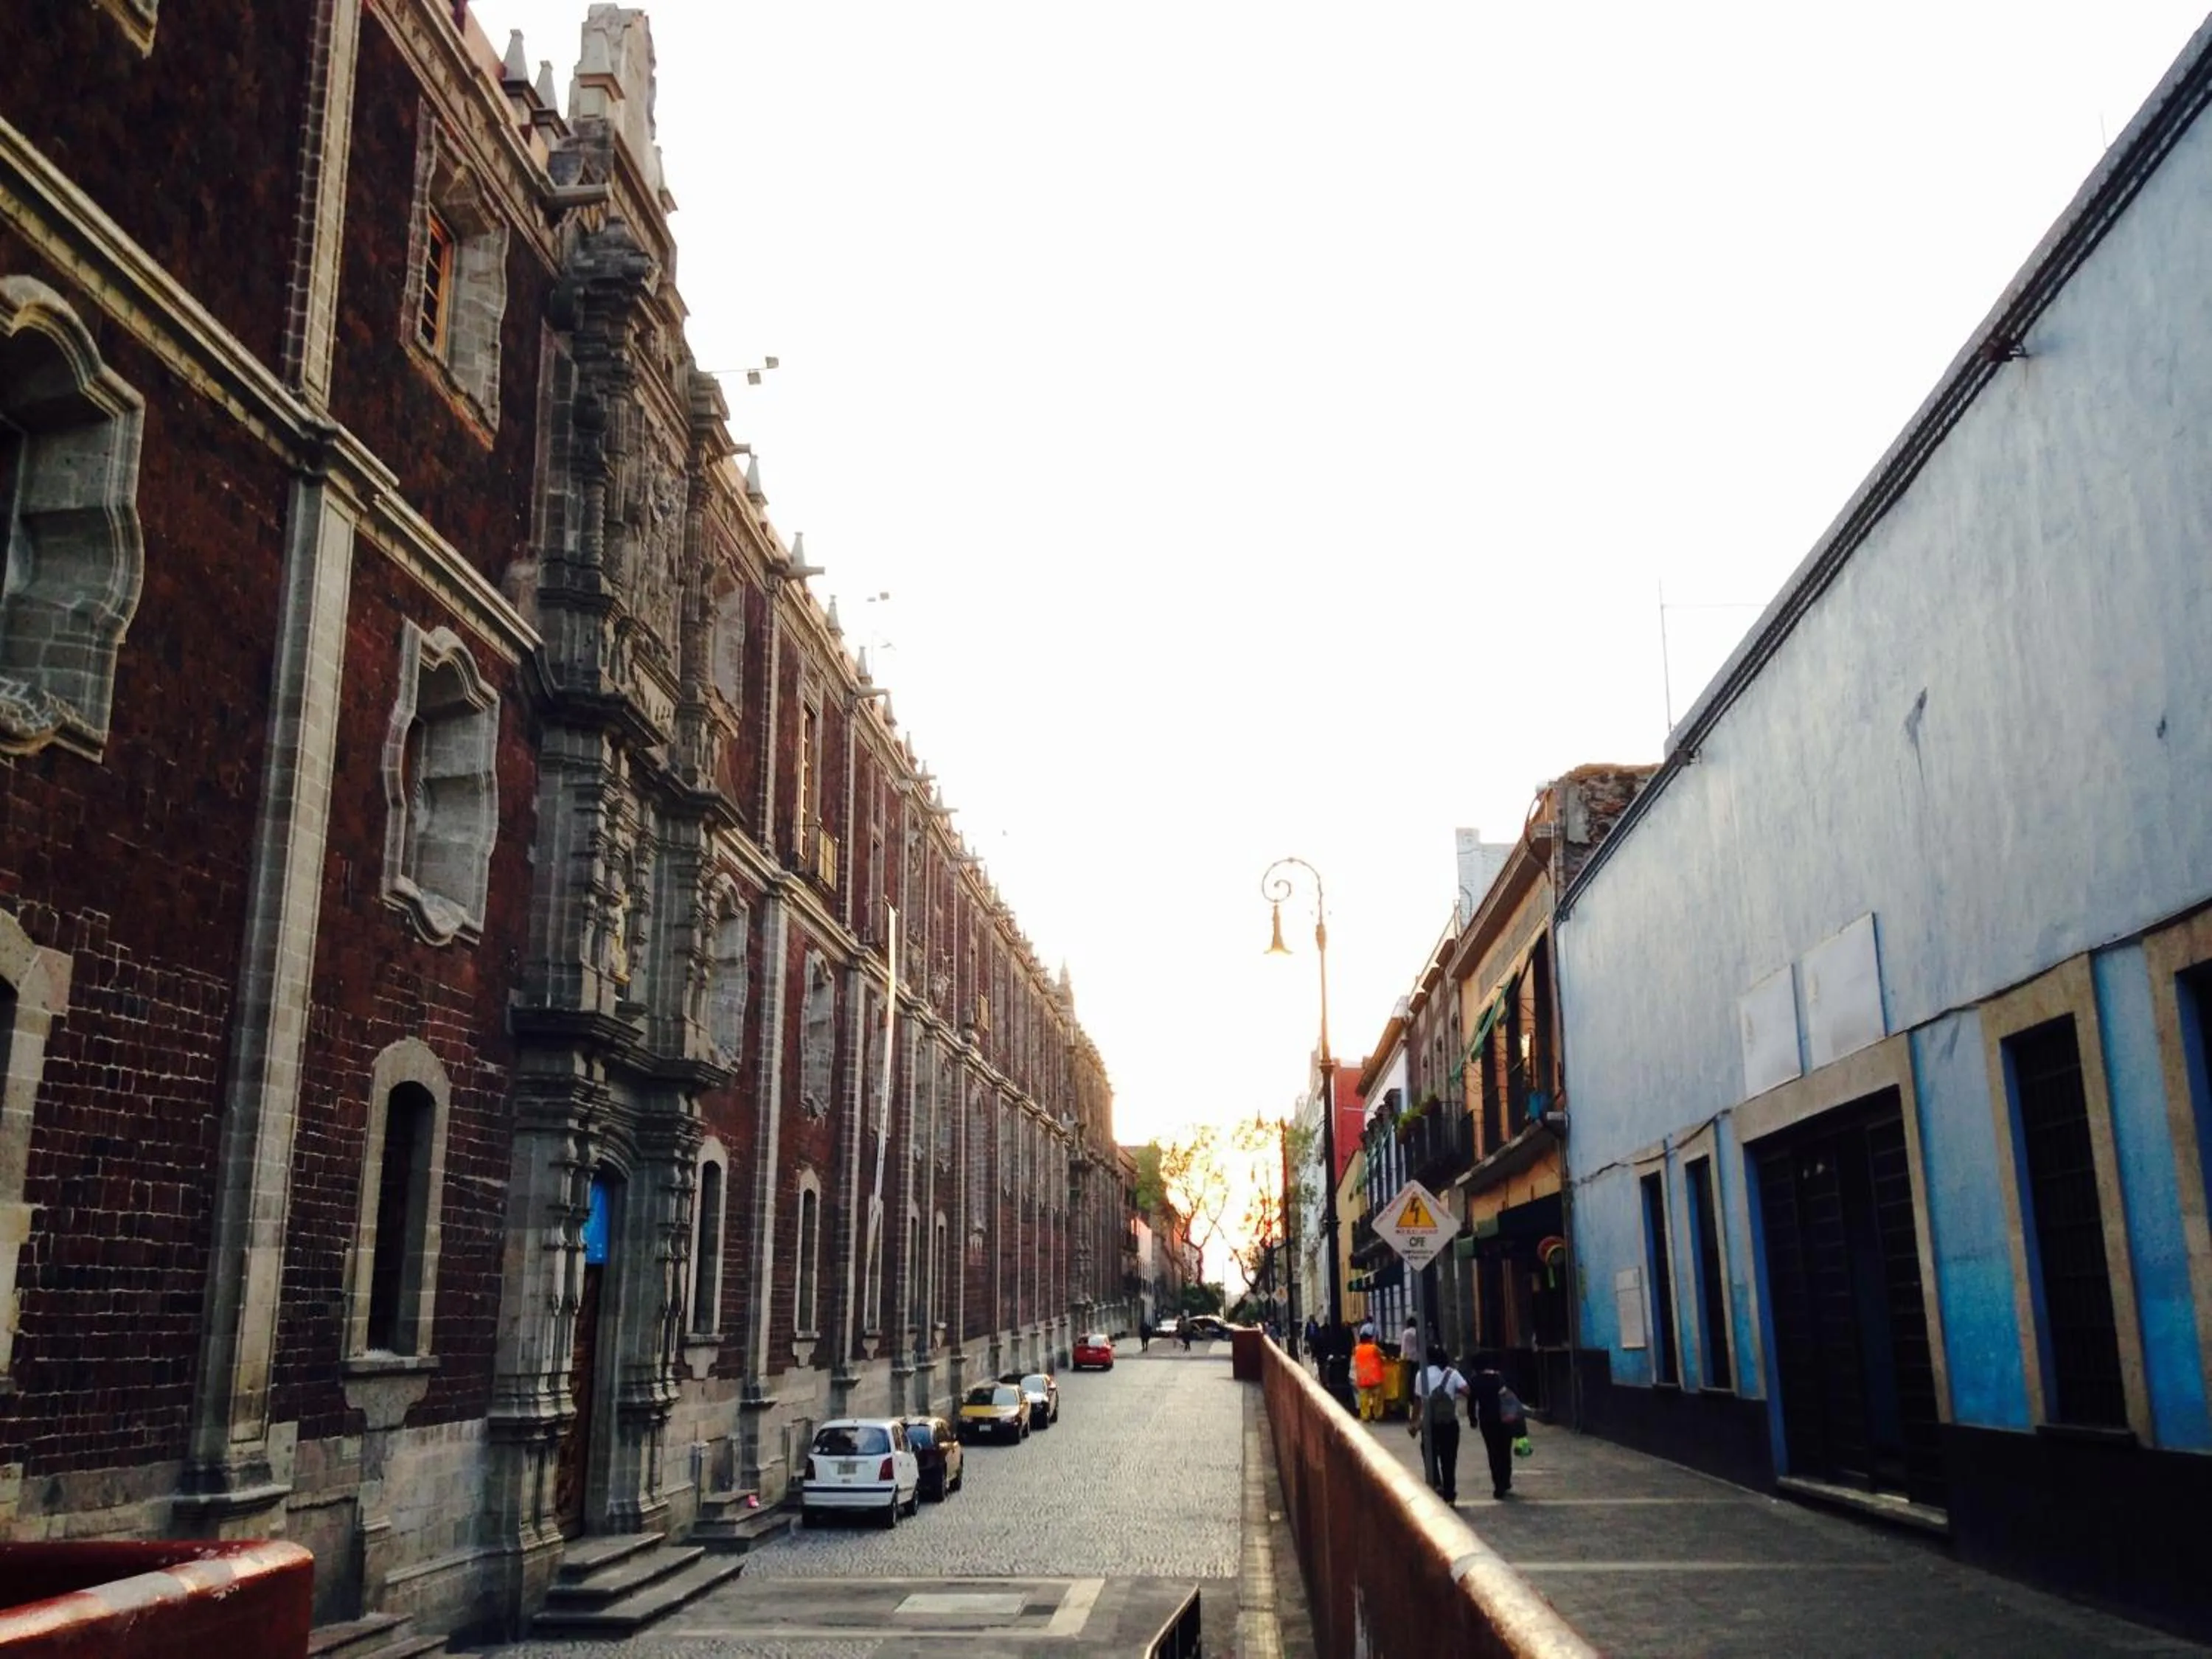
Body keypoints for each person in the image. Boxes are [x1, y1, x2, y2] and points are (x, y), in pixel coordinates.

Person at [1410, 1343, 1470, 1503]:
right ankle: (1450, 1495)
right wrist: (1452, 1391)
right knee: (1449, 1459)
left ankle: (1436, 1483)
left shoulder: (1421, 1375)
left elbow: (1417, 1401)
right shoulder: (1452, 1373)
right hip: (1450, 1423)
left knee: (1429, 1453)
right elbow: (1467, 1391)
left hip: (1430, 1423)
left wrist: (1414, 1423)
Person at [1464, 1352, 1521, 1500]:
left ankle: (1498, 1484)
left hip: (1487, 1420)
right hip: (1505, 1418)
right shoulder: (1499, 1378)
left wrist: (1472, 1419)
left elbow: (1471, 1402)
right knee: (1505, 1451)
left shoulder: (1474, 1381)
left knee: (1493, 1452)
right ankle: (1506, 1480)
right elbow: (1510, 1395)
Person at [1351, 1326, 1387, 1421]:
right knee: (1377, 1399)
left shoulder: (1357, 1349)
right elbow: (1382, 1355)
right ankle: (1378, 1415)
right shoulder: (1374, 1348)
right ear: (1369, 1339)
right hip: (1375, 1378)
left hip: (1362, 1378)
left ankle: (1365, 1416)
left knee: (1364, 1400)